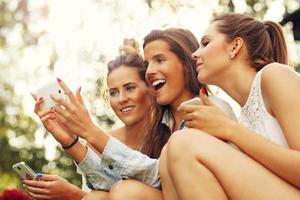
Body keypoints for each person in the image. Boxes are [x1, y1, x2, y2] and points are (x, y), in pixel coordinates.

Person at [48, 28, 235, 200]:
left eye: (160, 60)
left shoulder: (209, 109)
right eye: (147, 64)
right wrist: (69, 142)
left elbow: (160, 176)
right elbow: (114, 183)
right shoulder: (164, 125)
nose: (151, 71)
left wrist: (91, 131)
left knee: (126, 192)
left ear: (186, 63)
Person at [160, 13, 300, 199]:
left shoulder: (274, 75)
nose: (195, 53)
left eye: (206, 43)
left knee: (183, 143)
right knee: (168, 153)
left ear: (235, 46)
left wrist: (228, 129)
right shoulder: (243, 116)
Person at [25, 39, 160, 200]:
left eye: (130, 88)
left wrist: (72, 194)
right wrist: (70, 142)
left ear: (151, 89)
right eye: (113, 92)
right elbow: (105, 193)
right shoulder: (97, 143)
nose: (121, 99)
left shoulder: (169, 131)